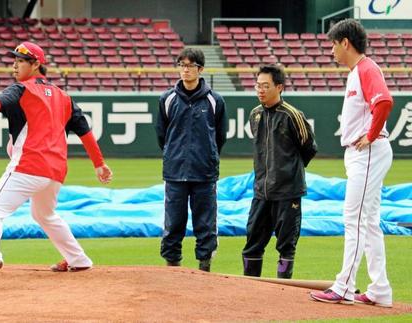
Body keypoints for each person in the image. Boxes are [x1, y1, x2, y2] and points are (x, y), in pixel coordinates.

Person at [0, 41, 113, 285]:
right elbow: (84, 131)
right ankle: (78, 259)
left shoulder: (21, 90)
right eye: (14, 60)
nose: (14, 65)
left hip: (28, 166)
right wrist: (99, 163)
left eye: (20, 61)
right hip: (55, 172)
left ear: (36, 64)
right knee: (45, 215)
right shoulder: (65, 97)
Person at [310, 19, 394, 307]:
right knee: (368, 222)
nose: (332, 49)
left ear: (345, 42)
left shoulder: (367, 68)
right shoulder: (358, 71)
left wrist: (370, 135)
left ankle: (344, 286)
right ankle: (380, 289)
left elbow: (384, 102)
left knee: (354, 219)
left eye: (334, 43)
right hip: (364, 153)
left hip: (368, 152)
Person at [241, 64, 317, 279]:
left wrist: (288, 172)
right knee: (252, 242)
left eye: (265, 86)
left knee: (286, 245)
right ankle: (250, 288)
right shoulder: (255, 115)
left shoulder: (292, 115)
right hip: (261, 192)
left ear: (280, 87)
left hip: (287, 192)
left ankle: (282, 292)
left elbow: (308, 148)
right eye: (257, 85)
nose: (260, 90)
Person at [155, 48, 227, 272]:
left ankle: (204, 268)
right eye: (182, 65)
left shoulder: (215, 100)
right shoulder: (167, 99)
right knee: (173, 223)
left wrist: (207, 156)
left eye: (190, 65)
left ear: (200, 69)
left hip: (204, 173)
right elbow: (162, 135)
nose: (185, 70)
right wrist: (173, 154)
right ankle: (173, 268)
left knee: (205, 223)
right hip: (175, 172)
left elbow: (220, 136)